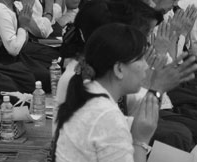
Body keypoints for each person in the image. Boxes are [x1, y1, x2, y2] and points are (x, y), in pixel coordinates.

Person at [54, 23, 159, 162]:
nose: (146, 66)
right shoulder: (108, 116)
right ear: (119, 69)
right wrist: (140, 141)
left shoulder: (88, 94)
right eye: (140, 59)